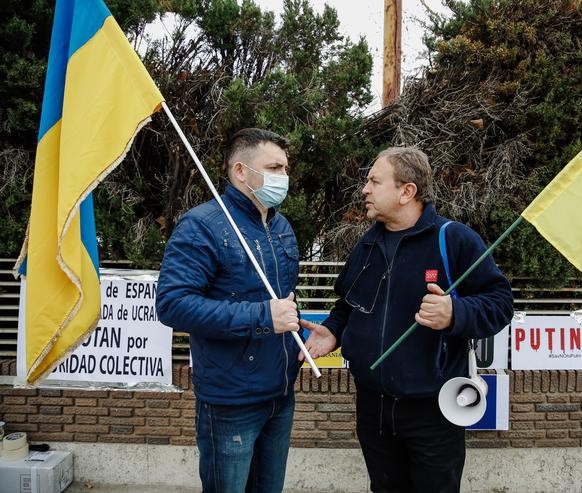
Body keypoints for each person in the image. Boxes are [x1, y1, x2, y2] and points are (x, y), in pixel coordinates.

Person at [300, 147, 514, 493]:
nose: (365, 190)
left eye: (374, 181)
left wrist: (454, 313)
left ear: (406, 191)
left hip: (434, 411)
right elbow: (348, 305)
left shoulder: (454, 240)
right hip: (373, 410)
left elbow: (501, 303)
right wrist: (334, 332)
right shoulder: (366, 246)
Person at [156, 128, 302, 493]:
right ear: (240, 171)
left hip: (280, 394)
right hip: (230, 401)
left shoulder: (281, 227)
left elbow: (282, 300)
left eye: (285, 169)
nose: (283, 177)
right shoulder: (202, 225)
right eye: (273, 167)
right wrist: (262, 317)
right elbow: (173, 304)